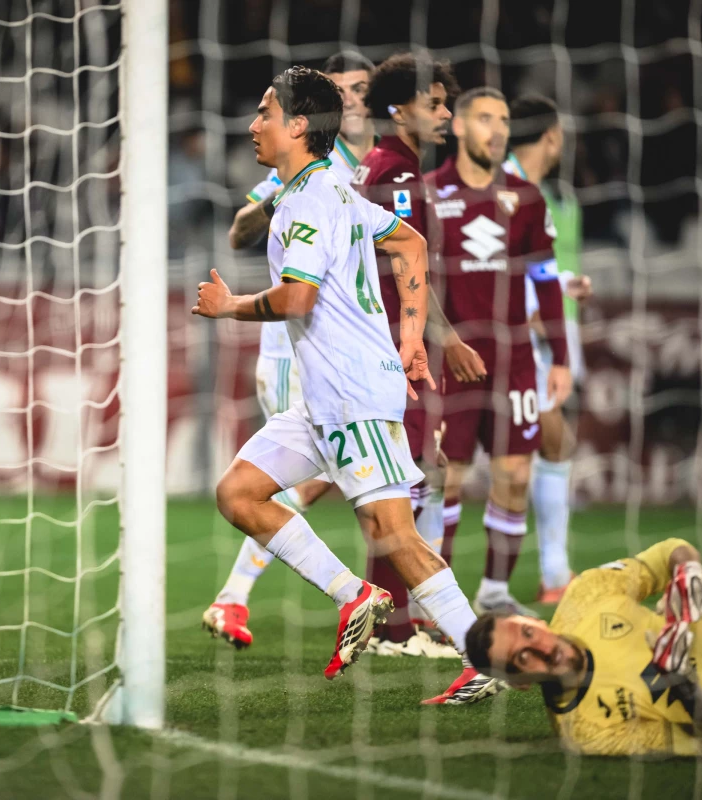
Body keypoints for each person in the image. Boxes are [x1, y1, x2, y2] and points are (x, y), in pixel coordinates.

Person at [194, 65, 500, 704]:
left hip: (352, 396)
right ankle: (353, 595)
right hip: (325, 399)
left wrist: (230, 307)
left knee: (397, 537)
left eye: (265, 112)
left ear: (298, 125)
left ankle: (482, 659)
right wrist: (411, 338)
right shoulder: (333, 188)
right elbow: (409, 245)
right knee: (238, 493)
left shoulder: (309, 200)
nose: (253, 125)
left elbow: (297, 298)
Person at [205, 51, 376, 651]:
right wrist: (280, 195)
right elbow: (238, 231)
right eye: (343, 90)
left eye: (361, 89)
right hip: (291, 348)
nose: (353, 100)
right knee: (310, 475)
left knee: (328, 476)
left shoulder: (380, 166)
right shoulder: (299, 166)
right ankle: (237, 596)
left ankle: (236, 598)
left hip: (343, 347)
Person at [352, 51, 487, 657]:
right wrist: (446, 338)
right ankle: (394, 626)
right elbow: (407, 266)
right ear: (398, 109)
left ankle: (406, 614)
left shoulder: (375, 165)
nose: (446, 113)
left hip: (378, 343)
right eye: (434, 103)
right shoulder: (400, 177)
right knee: (403, 481)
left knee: (417, 475)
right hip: (395, 348)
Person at [425, 87, 570, 616]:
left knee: (515, 474)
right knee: (446, 479)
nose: (499, 130)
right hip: (450, 360)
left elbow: (546, 280)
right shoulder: (428, 193)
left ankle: (494, 592)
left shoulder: (526, 197)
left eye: (504, 120)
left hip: (514, 362)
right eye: (486, 118)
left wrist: (561, 357)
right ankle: (436, 602)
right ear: (459, 127)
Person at [465, 539, 702, 756]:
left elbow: (671, 551)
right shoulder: (586, 732)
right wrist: (686, 690)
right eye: (523, 657)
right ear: (519, 683)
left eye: (529, 633)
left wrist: (689, 573)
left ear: (537, 621)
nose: (542, 650)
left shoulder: (585, 596)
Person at [501, 94, 594, 604]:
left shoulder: (531, 192)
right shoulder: (508, 191)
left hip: (528, 340)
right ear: (553, 137)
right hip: (501, 341)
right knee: (472, 465)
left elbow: (531, 268)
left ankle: (553, 575)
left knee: (552, 444)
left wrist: (561, 285)